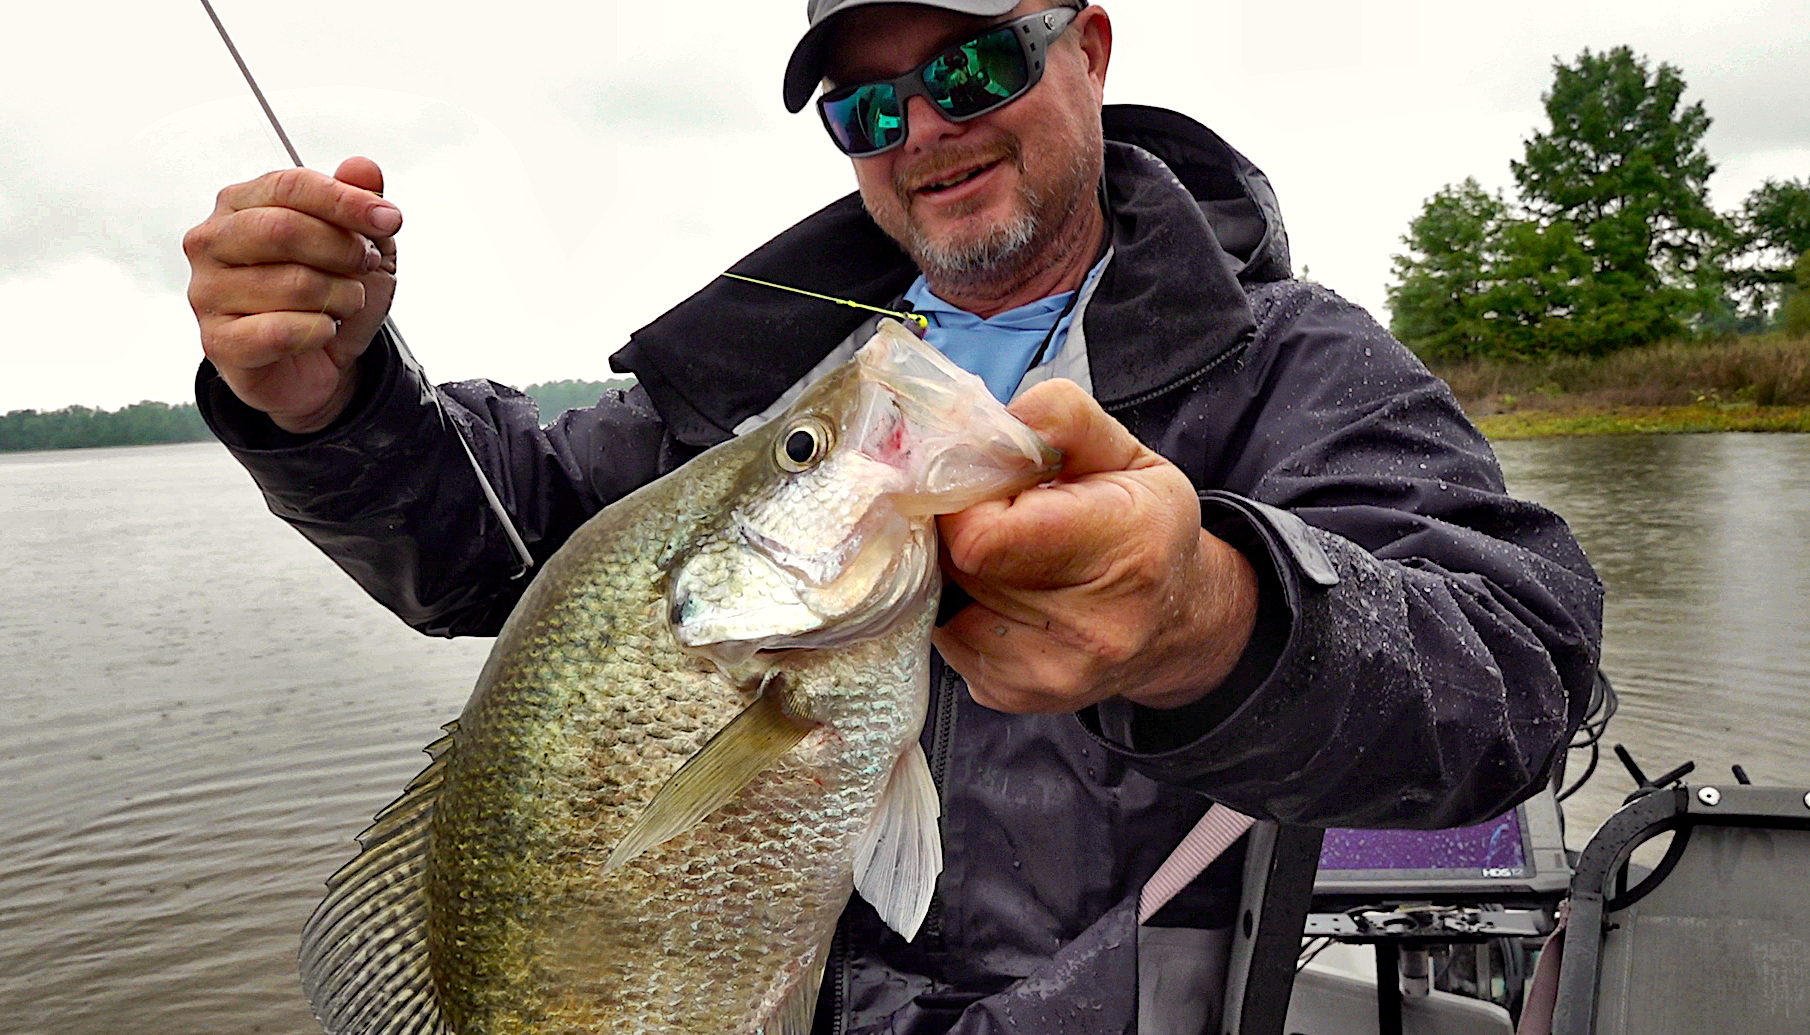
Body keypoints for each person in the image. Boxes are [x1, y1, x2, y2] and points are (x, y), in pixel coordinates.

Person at [183, 1, 1604, 1031]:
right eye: (867, 108)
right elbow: (493, 538)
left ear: (1088, 49)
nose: (922, 128)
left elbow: (1517, 671)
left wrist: (1210, 617)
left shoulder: (1293, 363)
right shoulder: (754, 384)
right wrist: (331, 403)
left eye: (972, 63)